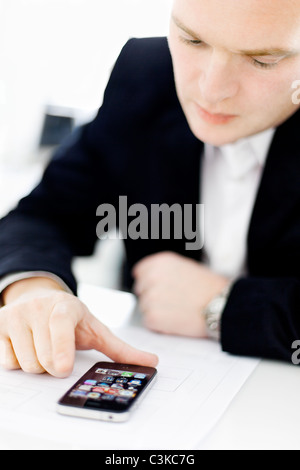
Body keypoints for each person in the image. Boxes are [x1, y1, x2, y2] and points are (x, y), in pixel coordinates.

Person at [0, 0, 299, 377]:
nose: (211, 89)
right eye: (192, 40)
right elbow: (42, 216)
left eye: (263, 60)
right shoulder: (145, 73)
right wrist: (36, 289)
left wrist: (223, 308)